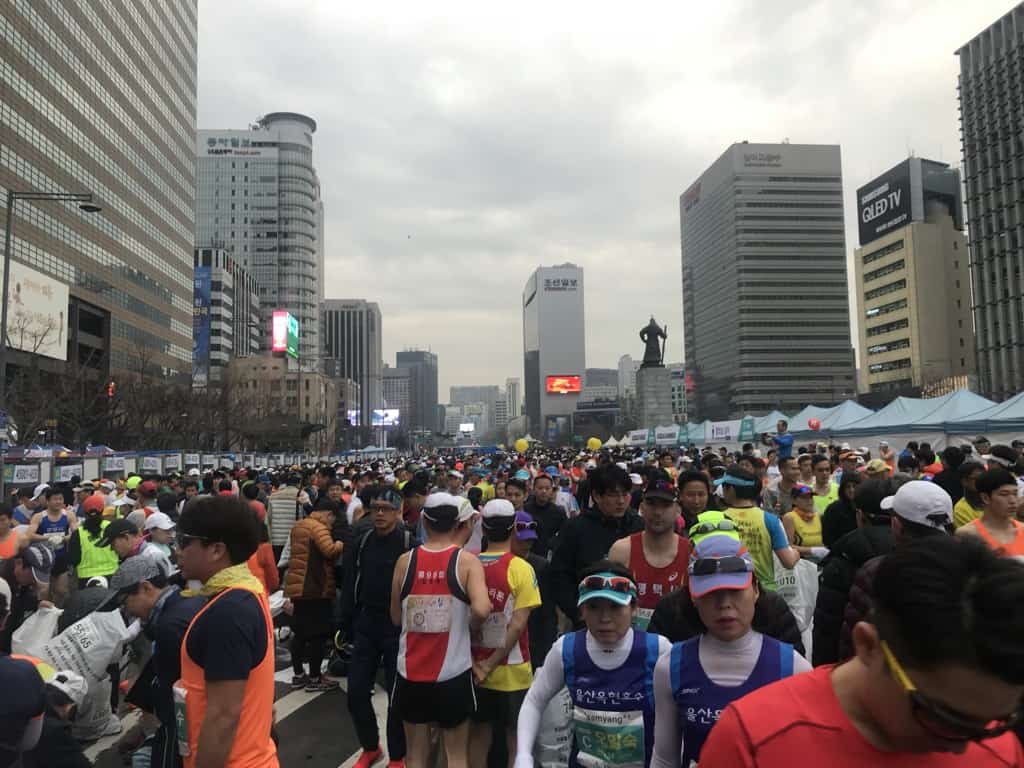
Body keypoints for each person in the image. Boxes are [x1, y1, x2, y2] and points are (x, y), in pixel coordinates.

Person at [698, 535, 1024, 767]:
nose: (963, 746)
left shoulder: (999, 749)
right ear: (867, 645)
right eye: (943, 718)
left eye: (997, 721)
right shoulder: (753, 740)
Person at [651, 534, 811, 767]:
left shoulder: (795, 669)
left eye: (735, 591)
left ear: (755, 590)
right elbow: (665, 758)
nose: (724, 604)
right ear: (693, 597)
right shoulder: (669, 667)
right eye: (711, 593)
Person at [514, 560, 670, 768]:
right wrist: (523, 755)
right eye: (594, 607)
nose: (605, 618)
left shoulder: (657, 650)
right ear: (582, 611)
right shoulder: (566, 649)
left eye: (615, 607)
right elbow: (534, 700)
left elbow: (678, 714)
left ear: (634, 608)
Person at [175, 495, 278, 768]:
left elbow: (223, 715)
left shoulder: (229, 611)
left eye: (184, 541)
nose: (178, 551)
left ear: (217, 550)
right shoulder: (246, 593)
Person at [390, 492, 491, 768]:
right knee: (456, 753)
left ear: (423, 521)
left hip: (410, 672)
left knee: (415, 754)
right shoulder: (466, 562)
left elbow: (396, 617)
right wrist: (467, 627)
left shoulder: (404, 561)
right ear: (459, 523)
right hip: (453, 672)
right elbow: (483, 609)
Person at [341, 486, 412, 768]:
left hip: (398, 627)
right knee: (356, 692)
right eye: (376, 508)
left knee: (397, 696)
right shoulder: (362, 540)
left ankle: (397, 755)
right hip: (366, 623)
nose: (380, 513)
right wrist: (344, 623)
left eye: (386, 508)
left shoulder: (409, 542)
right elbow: (349, 582)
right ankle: (371, 746)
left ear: (398, 510)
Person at [469, 500, 541, 768]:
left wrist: (480, 664)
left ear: (483, 529)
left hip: (473, 669)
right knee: (516, 740)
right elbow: (518, 624)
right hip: (513, 670)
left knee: (478, 737)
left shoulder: (468, 564)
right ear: (513, 529)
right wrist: (490, 664)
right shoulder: (522, 568)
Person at [812, 479, 897, 666]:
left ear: (860, 516)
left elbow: (827, 629)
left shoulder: (844, 559)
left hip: (855, 668)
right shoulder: (921, 553)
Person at [549, 464, 644, 626]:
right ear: (596, 496)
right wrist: (579, 613)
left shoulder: (639, 526)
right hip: (588, 618)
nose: (621, 501)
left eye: (625, 494)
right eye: (613, 495)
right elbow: (559, 575)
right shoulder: (575, 528)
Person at [608, 473, 689, 630]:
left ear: (677, 510)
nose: (658, 512)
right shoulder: (622, 550)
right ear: (642, 508)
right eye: (651, 504)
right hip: (634, 645)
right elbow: (610, 605)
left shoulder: (691, 552)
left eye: (665, 505)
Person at [284, 497, 343, 691]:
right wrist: (341, 544)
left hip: (298, 586)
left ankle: (299, 674)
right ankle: (316, 678)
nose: (333, 523)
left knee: (300, 633)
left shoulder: (299, 525)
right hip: (315, 587)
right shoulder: (318, 528)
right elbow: (329, 551)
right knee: (318, 634)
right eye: (333, 519)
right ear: (328, 514)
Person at [717, 466, 799, 591]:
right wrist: (796, 553)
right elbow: (788, 562)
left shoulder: (718, 519)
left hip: (729, 588)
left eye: (724, 487)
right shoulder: (770, 520)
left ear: (731, 490)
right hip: (764, 591)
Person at [957, 467, 1024, 557]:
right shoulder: (968, 534)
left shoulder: (1022, 529)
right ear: (985, 498)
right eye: (1004, 494)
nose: (1012, 500)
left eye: (1015, 494)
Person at [97, 518, 172, 576]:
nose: (111, 549)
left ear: (127, 537)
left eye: (113, 543)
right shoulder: (129, 558)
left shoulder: (153, 556)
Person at [521, 475, 566, 561]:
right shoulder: (525, 510)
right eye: (540, 488)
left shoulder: (559, 512)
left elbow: (565, 534)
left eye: (547, 488)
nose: (544, 491)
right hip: (528, 555)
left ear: (552, 490)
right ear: (534, 489)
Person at [782, 485, 827, 560]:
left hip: (821, 561)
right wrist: (812, 550)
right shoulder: (789, 517)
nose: (809, 501)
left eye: (810, 497)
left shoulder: (819, 516)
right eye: (804, 498)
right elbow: (788, 547)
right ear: (794, 500)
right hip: (801, 561)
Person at [953, 460, 986, 529]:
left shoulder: (994, 499)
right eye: (977, 478)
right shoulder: (961, 509)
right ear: (964, 481)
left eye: (984, 477)